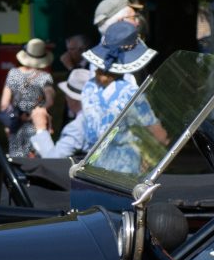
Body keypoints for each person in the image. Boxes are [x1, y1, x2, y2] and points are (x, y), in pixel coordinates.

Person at [27, 20, 156, 160]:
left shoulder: (91, 98)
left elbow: (53, 160)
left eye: (72, 49)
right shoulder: (126, 91)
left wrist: (40, 129)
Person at [0, 38, 55, 156]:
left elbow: (4, 103)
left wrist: (8, 123)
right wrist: (36, 113)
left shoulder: (13, 74)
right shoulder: (45, 77)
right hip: (36, 125)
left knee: (17, 159)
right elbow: (50, 101)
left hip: (16, 124)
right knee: (37, 159)